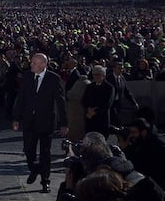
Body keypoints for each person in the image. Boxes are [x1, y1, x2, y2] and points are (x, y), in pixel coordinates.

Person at [12, 53, 68, 193]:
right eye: (31, 62)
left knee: (45, 153)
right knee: (28, 150)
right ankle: (35, 168)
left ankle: (45, 181)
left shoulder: (53, 78)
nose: (31, 64)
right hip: (29, 121)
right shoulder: (27, 76)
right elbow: (21, 98)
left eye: (34, 63)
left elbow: (60, 101)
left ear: (43, 65)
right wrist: (16, 118)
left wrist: (64, 123)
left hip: (46, 122)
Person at [122, 118, 165, 190]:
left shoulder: (155, 146)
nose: (131, 136)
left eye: (133, 132)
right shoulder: (143, 141)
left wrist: (125, 149)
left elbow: (137, 166)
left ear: (143, 132)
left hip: (158, 184)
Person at [81, 65, 114, 138]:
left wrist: (94, 112)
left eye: (98, 74)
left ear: (103, 75)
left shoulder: (109, 87)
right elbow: (84, 100)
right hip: (90, 120)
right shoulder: (89, 86)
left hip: (102, 120)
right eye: (94, 74)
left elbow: (107, 104)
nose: (95, 76)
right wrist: (88, 109)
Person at [106, 61, 139, 126]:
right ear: (114, 69)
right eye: (119, 68)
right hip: (110, 104)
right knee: (115, 121)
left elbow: (127, 91)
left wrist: (134, 102)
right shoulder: (108, 78)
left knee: (116, 121)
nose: (121, 70)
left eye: (122, 68)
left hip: (118, 103)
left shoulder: (122, 78)